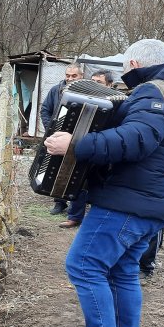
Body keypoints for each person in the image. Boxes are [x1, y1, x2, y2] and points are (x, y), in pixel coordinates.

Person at [44, 39, 164, 327]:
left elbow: (138, 139)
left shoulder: (155, 90)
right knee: (123, 271)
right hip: (159, 200)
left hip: (129, 199)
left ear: (132, 62)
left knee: (84, 264)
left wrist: (76, 144)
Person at [59, 70, 116, 228]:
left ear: (109, 85)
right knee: (78, 179)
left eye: (99, 83)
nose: (94, 86)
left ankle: (98, 218)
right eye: (92, 82)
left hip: (103, 150)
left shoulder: (117, 103)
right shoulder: (82, 98)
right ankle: (75, 217)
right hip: (82, 146)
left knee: (100, 182)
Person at [40, 63, 83, 215]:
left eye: (74, 76)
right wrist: (51, 129)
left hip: (78, 138)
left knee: (76, 170)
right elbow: (45, 110)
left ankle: (76, 205)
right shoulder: (56, 90)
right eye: (67, 75)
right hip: (58, 136)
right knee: (56, 168)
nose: (70, 78)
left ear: (81, 76)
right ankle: (59, 202)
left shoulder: (87, 92)